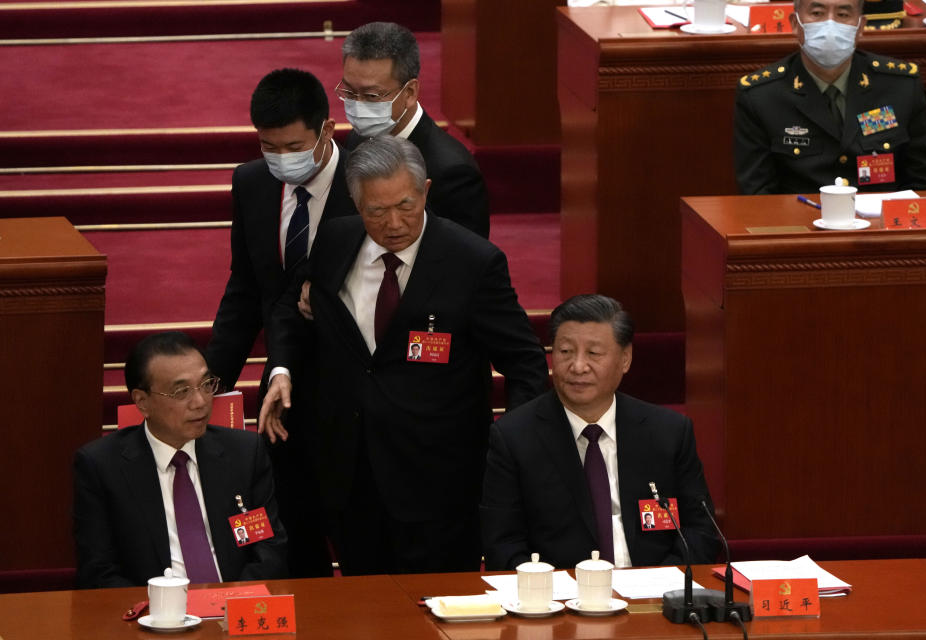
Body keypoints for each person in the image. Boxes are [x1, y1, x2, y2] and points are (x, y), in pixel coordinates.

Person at [260, 136, 548, 575]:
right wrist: (281, 367)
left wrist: (510, 453)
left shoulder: (473, 263)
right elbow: (291, 305)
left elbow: (525, 363)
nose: (393, 223)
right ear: (356, 205)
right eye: (376, 211)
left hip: (441, 488)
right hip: (349, 478)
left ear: (426, 190)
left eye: (406, 205)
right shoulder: (336, 239)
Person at [205, 68, 355, 578]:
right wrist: (212, 382)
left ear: (326, 132)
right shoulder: (252, 182)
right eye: (270, 146)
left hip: (358, 388)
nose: (281, 159)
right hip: (284, 389)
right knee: (293, 532)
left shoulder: (368, 181)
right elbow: (246, 290)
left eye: (293, 145)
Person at [481, 294, 719, 571]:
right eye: (565, 351)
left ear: (625, 358)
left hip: (654, 595)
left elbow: (700, 530)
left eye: (593, 353)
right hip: (560, 600)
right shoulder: (514, 436)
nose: (578, 366)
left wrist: (663, 585)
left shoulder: (668, 432)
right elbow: (502, 544)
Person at [73, 332, 287, 588]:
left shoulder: (243, 453)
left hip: (234, 609)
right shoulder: (101, 467)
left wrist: (232, 601)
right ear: (142, 402)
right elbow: (98, 571)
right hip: (153, 617)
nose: (200, 402)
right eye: (181, 391)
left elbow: (267, 548)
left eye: (206, 385)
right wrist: (163, 611)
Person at [733, 0, 926, 195]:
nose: (830, 26)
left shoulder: (901, 86)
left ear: (860, 28)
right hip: (801, 228)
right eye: (817, 13)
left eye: (843, 14)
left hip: (882, 229)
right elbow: (758, 195)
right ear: (795, 24)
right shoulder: (761, 96)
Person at [338, 21, 490, 238]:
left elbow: (468, 264)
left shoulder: (453, 173)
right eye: (350, 92)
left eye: (371, 96)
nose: (357, 105)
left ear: (409, 92)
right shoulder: (359, 138)